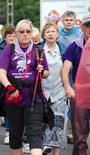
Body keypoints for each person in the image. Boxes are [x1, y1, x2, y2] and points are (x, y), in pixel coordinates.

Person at [0, 19, 49, 155]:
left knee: (34, 132)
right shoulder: (9, 49)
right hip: (14, 98)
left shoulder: (39, 50)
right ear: (17, 33)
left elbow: (47, 73)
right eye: (22, 31)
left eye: (28, 31)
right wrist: (9, 87)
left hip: (34, 98)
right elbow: (1, 71)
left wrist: (41, 71)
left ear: (32, 33)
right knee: (15, 132)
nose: (25, 34)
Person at [61, 14, 90, 155]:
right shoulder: (75, 46)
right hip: (80, 92)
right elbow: (65, 69)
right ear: (82, 28)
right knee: (79, 133)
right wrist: (67, 87)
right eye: (88, 26)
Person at [39, 22, 67, 155]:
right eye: (48, 31)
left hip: (59, 92)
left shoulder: (63, 49)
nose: (50, 34)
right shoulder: (38, 50)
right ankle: (43, 148)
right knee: (42, 124)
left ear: (57, 34)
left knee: (58, 124)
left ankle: (56, 153)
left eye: (53, 31)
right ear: (43, 35)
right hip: (41, 93)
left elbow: (68, 71)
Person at [57, 10, 83, 145]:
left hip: (77, 73)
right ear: (62, 20)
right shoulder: (57, 35)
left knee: (75, 103)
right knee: (64, 104)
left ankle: (71, 133)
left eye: (71, 20)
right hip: (60, 72)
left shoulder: (80, 34)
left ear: (75, 21)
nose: (68, 22)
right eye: (66, 20)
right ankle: (63, 133)